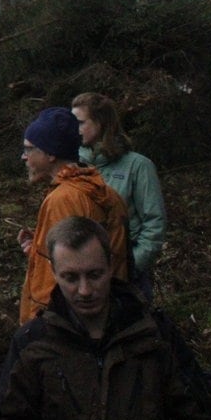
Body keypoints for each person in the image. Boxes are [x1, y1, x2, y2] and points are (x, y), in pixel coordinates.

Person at [0, 216, 211, 420]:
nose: (85, 291)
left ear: (110, 265)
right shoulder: (32, 342)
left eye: (94, 275)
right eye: (70, 278)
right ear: (53, 271)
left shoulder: (155, 336)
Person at [17, 106, 129, 324]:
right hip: (105, 316)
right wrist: (38, 247)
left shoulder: (64, 199)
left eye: (29, 149)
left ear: (50, 154)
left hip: (66, 327)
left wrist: (38, 329)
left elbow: (68, 276)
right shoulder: (102, 190)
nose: (24, 157)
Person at [72, 91, 167, 301]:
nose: (74, 129)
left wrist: (131, 265)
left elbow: (154, 223)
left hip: (127, 276)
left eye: (80, 122)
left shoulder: (138, 166)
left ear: (101, 122)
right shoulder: (73, 167)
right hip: (82, 275)